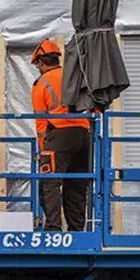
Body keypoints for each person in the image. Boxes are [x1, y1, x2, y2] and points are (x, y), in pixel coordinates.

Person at [30, 39, 92, 232]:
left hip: (60, 135)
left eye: (37, 65)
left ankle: (53, 229)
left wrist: (42, 150)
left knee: (50, 183)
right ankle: (76, 231)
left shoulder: (41, 83)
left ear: (41, 62)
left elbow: (41, 122)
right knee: (76, 185)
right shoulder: (72, 76)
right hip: (83, 134)